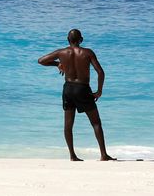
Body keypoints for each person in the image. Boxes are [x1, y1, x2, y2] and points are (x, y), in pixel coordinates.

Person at [38, 29, 115, 162]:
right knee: (96, 123)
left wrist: (58, 64)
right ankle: (103, 154)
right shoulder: (87, 53)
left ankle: (72, 156)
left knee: (68, 125)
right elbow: (100, 72)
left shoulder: (61, 52)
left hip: (68, 89)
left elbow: (41, 60)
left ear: (68, 40)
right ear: (81, 40)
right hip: (83, 89)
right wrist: (99, 90)